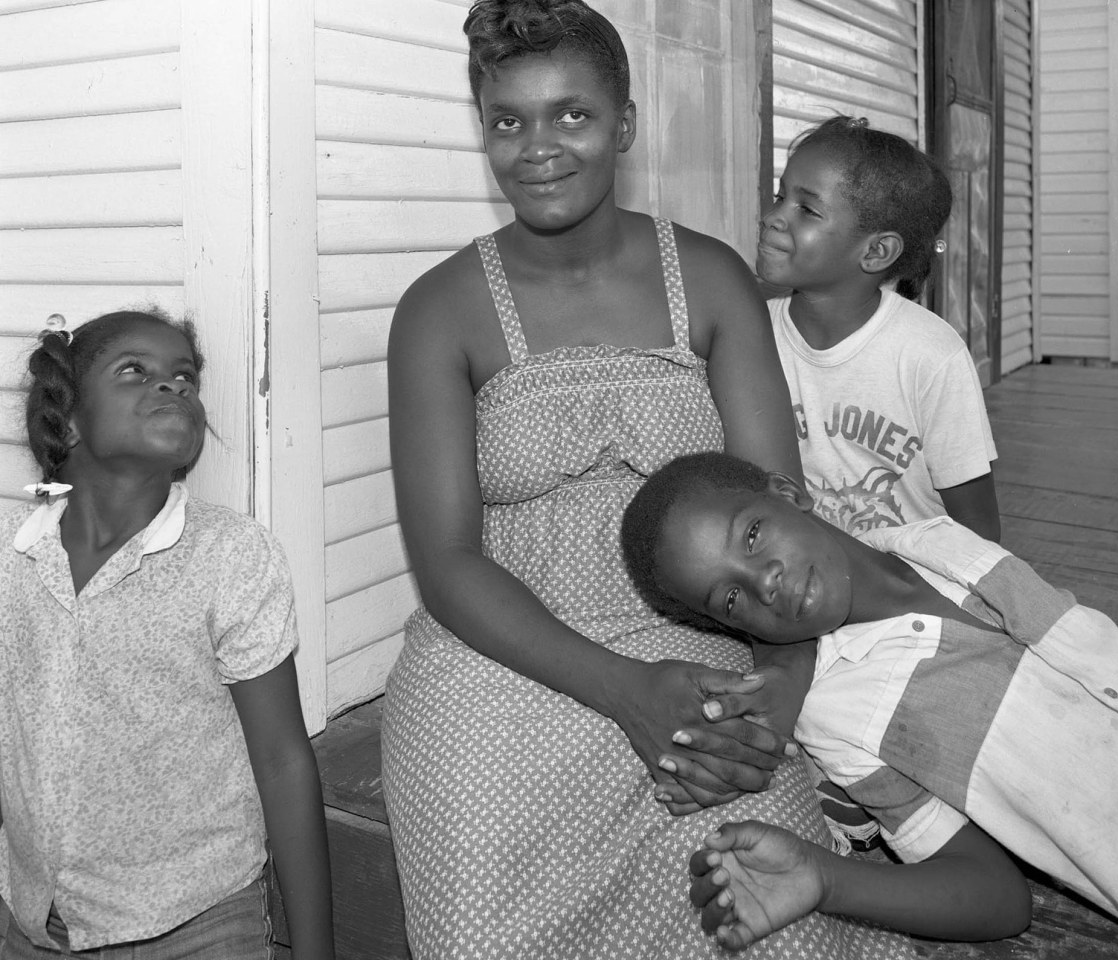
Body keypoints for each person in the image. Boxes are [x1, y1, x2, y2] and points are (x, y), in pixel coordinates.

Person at [379, 2, 911, 958]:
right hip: (504, 656)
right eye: (508, 120)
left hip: (707, 633)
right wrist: (626, 692)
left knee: (776, 922)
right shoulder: (438, 312)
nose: (538, 147)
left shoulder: (708, 281)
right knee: (483, 923)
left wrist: (778, 692)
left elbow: (783, 518)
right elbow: (449, 565)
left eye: (571, 114)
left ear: (624, 124)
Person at [620, 451, 1118, 960]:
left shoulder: (938, 541)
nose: (763, 582)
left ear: (789, 493)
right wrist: (824, 878)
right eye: (729, 597)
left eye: (751, 537)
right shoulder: (841, 711)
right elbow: (998, 898)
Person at [0, 310, 334, 959]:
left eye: (184, 376)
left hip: (199, 923)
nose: (173, 386)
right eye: (136, 371)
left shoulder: (233, 556)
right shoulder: (12, 557)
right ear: (68, 417)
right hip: (34, 922)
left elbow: (283, 762)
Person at [759, 116, 999, 540]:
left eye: (807, 210)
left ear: (876, 251)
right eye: (779, 198)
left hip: (913, 581)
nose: (772, 218)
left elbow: (979, 531)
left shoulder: (930, 355)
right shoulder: (752, 330)